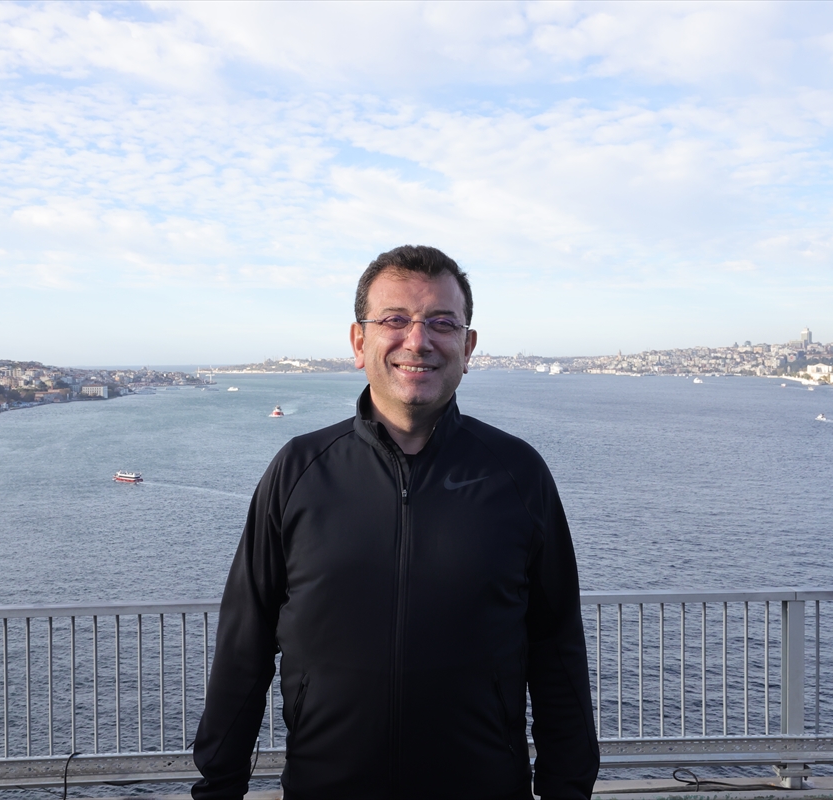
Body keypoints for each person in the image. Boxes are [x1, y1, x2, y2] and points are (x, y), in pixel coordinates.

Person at [192, 245, 598, 800]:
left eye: (442, 323)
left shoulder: (517, 475)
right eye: (394, 320)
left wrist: (567, 791)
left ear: (467, 347)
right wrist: (219, 788)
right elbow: (245, 646)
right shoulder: (298, 471)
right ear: (359, 342)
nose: (418, 340)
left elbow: (558, 653)